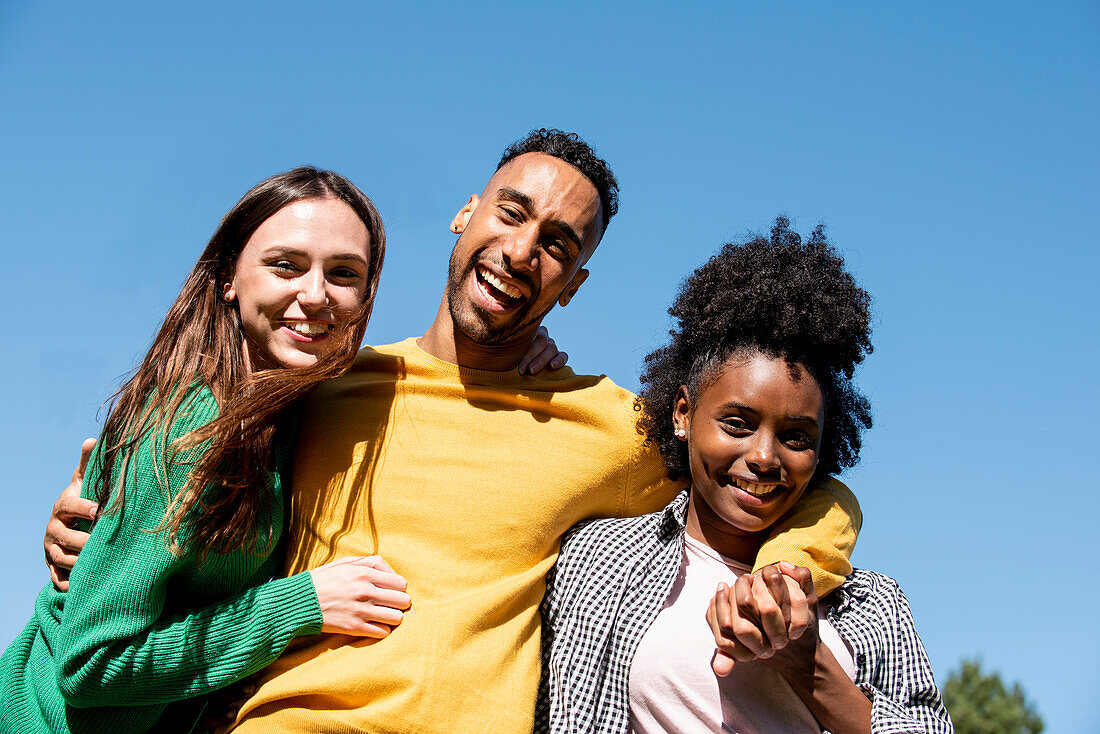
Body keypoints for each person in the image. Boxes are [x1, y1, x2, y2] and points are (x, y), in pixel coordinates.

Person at [44, 131, 863, 734]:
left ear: (571, 287)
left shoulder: (611, 425)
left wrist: (786, 575)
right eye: (511, 213)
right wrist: (87, 522)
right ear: (465, 213)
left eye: (556, 246)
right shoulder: (323, 387)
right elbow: (185, 515)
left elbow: (790, 477)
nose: (520, 250)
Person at [1, 167, 411, 734]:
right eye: (286, 265)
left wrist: (535, 348)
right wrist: (301, 605)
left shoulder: (295, 414)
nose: (315, 295)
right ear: (228, 277)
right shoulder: (186, 430)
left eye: (344, 274)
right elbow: (91, 665)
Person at [537, 219, 954, 733]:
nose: (764, 457)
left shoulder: (873, 605)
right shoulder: (601, 557)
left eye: (797, 437)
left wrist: (808, 662)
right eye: (738, 423)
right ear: (683, 414)